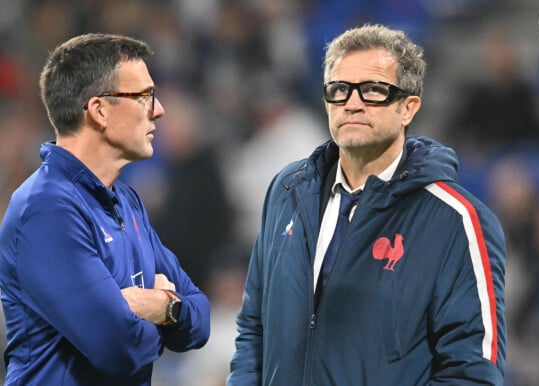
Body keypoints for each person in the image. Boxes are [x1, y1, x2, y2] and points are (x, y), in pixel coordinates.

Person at [227, 24, 506, 385]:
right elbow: (254, 328)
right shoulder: (287, 191)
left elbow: (473, 373)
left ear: (408, 107)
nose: (352, 103)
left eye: (373, 90)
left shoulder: (456, 219)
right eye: (339, 90)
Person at [0, 33, 210, 385]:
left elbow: (200, 318)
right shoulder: (46, 210)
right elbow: (119, 349)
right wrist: (166, 315)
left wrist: (162, 307)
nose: (159, 110)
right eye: (144, 96)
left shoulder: (126, 201)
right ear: (99, 110)